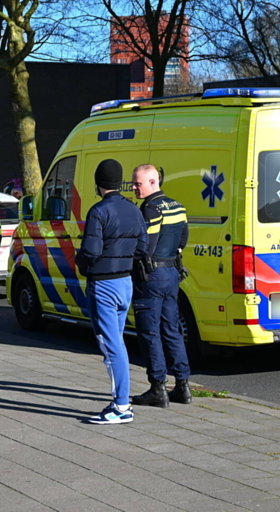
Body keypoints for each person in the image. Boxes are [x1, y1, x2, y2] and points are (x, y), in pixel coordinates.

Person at [75, 158, 148, 425]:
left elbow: (91, 252)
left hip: (103, 284)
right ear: (120, 183)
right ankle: (120, 399)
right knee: (116, 341)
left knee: (111, 345)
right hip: (125, 282)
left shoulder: (98, 211)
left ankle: (121, 406)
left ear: (98, 183)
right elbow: (142, 248)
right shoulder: (134, 210)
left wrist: (79, 260)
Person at [129, 164, 192, 408]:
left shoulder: (150, 209)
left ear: (153, 182)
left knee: (150, 333)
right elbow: (183, 238)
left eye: (138, 183)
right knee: (172, 329)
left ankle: (157, 388)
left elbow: (146, 246)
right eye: (133, 183)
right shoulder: (177, 206)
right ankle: (183, 386)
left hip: (151, 277)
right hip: (171, 273)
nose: (134, 187)